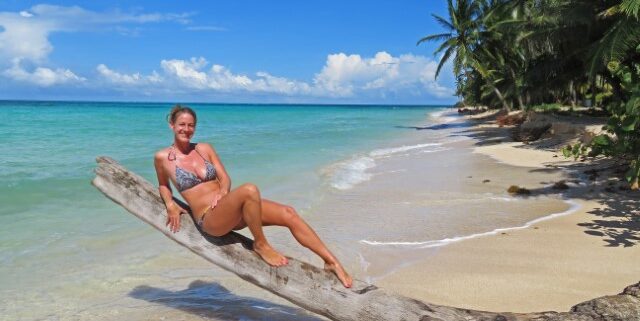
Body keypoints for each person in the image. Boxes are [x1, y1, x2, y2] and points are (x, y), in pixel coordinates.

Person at [154, 105, 352, 288]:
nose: (186, 129)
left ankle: (331, 262)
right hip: (210, 220)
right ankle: (260, 244)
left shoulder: (204, 148)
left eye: (191, 125)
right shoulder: (162, 158)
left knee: (288, 213)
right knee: (249, 190)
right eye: (182, 125)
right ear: (172, 125)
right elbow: (163, 184)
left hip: (231, 210)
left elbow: (225, 178)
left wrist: (223, 191)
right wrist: (170, 203)